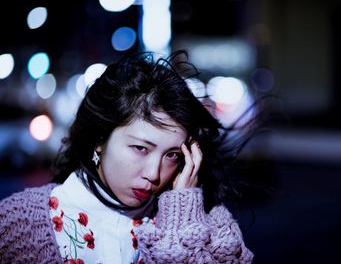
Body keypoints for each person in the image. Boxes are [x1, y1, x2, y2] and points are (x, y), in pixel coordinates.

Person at [0, 50, 258, 263]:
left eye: (172, 155)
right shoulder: (18, 222)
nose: (154, 173)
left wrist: (181, 222)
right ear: (100, 139)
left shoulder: (212, 228)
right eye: (141, 148)